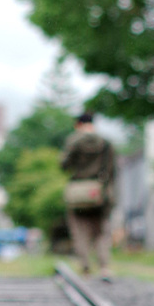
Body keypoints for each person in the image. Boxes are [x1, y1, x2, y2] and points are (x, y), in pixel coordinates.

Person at [60, 112, 115, 279]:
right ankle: (104, 266)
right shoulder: (105, 142)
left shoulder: (73, 141)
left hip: (78, 191)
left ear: (78, 124)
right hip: (98, 191)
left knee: (79, 230)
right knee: (100, 231)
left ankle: (85, 268)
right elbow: (112, 169)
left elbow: (64, 165)